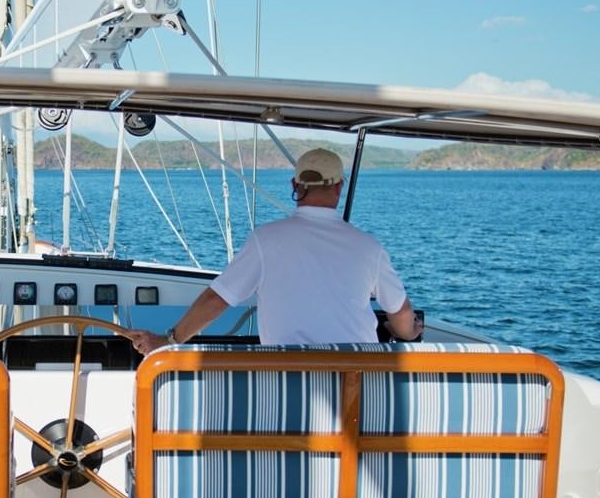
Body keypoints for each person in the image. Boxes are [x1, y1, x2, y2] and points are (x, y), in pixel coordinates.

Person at [127, 147, 422, 353]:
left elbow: (217, 300)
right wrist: (408, 332)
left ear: (296, 185)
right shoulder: (369, 248)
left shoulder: (265, 240)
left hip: (288, 385)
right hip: (357, 392)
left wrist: (170, 340)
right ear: (339, 187)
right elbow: (402, 314)